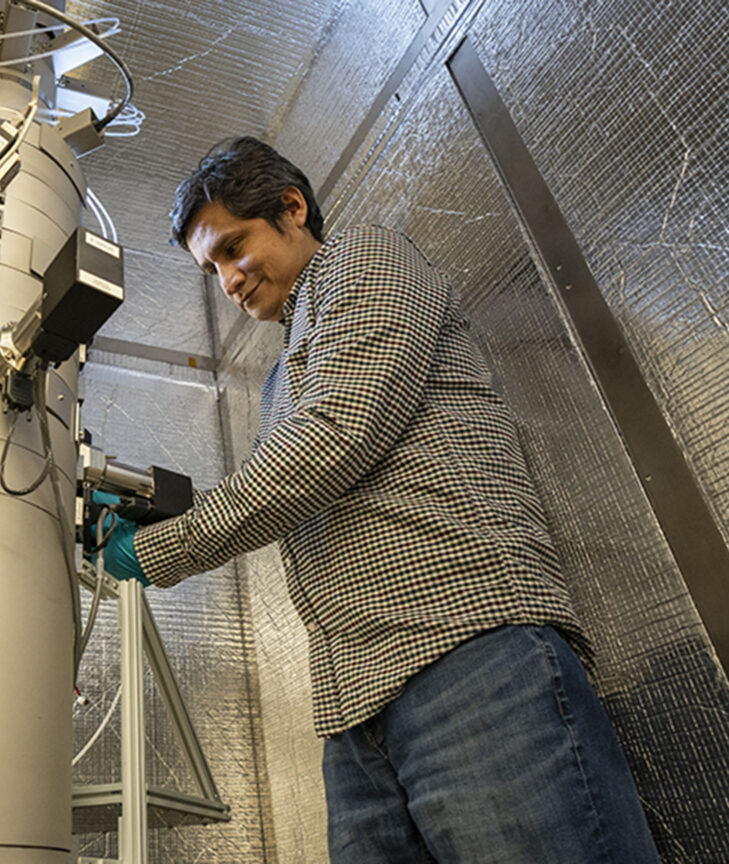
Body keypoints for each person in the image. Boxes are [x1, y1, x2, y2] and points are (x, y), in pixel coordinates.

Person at [92, 136, 660, 863]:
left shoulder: (366, 260)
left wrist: (162, 547)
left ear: (292, 209)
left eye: (234, 249)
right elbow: (292, 481)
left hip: (467, 657)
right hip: (355, 713)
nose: (228, 281)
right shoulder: (276, 383)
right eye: (212, 270)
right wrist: (159, 515)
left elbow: (334, 440)